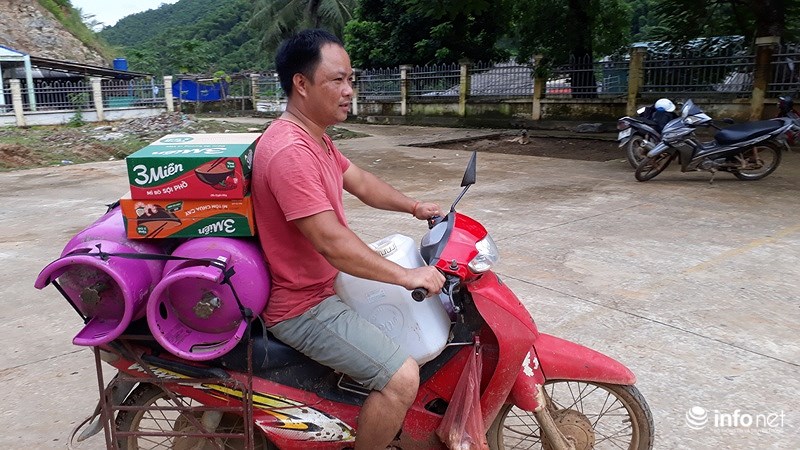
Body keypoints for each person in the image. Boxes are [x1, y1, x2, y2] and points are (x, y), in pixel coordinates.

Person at [250, 29, 446, 449]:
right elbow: (331, 242)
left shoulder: (315, 138)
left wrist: (415, 206)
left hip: (325, 286)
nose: (348, 91)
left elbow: (361, 181)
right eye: (337, 80)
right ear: (301, 84)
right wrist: (406, 276)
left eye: (350, 80)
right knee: (401, 378)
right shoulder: (289, 151)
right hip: (302, 305)